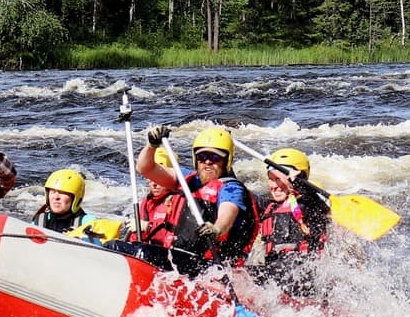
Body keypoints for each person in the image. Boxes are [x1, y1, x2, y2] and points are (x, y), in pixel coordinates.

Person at [136, 124, 260, 267]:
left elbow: (228, 212)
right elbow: (145, 168)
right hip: (179, 258)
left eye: (215, 157)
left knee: (142, 253)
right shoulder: (186, 178)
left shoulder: (231, 188)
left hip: (209, 266)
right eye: (202, 156)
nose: (207, 162)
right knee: (116, 246)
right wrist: (152, 146)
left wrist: (216, 229)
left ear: (226, 161)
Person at [255, 146, 333, 296]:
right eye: (271, 179)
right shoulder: (268, 207)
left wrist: (300, 183)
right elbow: (241, 195)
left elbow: (316, 201)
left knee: (276, 271)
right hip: (277, 275)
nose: (273, 185)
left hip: (306, 276)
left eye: (278, 179)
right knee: (238, 275)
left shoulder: (309, 206)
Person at [33, 169, 89, 233]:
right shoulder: (39, 221)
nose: (56, 197)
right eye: (53, 192)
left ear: (75, 198)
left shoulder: (88, 223)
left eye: (62, 193)